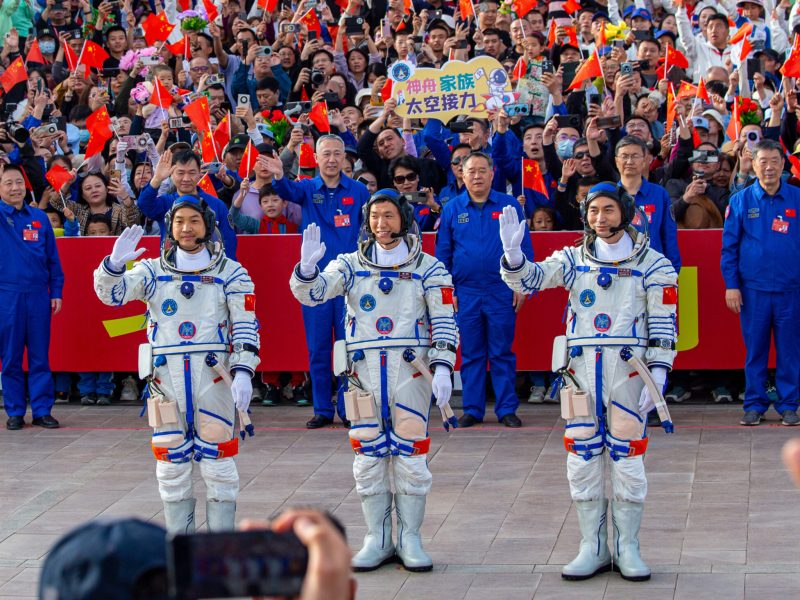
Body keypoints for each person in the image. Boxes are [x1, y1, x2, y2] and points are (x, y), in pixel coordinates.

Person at [499, 182, 678, 582]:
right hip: (580, 375)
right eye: (594, 211)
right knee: (582, 457)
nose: (601, 218)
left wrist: (661, 369)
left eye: (609, 210)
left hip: (630, 372)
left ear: (626, 213)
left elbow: (665, 320)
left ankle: (628, 546)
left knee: (628, 459)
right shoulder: (572, 258)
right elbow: (530, 280)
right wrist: (514, 255)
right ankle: (592, 545)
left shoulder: (654, 263)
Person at [290, 189, 458, 573]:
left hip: (411, 372)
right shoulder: (349, 264)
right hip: (363, 375)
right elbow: (313, 294)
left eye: (389, 216)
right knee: (368, 456)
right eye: (375, 217)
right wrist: (307, 269)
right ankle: (377, 537)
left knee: (411, 457)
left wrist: (444, 364)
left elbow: (445, 319)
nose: (382, 225)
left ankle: (410, 538)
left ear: (404, 219)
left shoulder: (429, 268)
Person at [93, 197, 260, 533]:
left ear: (208, 225)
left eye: (194, 221)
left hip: (214, 380)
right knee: (171, 467)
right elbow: (111, 296)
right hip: (166, 381)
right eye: (180, 221)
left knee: (219, 465)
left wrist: (243, 372)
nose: (186, 228)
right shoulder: (152, 271)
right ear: (170, 226)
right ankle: (180, 548)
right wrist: (113, 266)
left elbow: (246, 323)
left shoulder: (231, 272)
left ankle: (218, 547)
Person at [262, 135, 370, 429]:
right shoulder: (308, 188)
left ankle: (350, 409)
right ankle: (322, 408)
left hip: (350, 283)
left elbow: (370, 228)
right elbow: (285, 190)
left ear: (345, 158)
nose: (333, 159)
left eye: (337, 154)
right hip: (316, 283)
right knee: (319, 347)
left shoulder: (359, 190)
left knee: (349, 348)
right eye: (327, 155)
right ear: (317, 159)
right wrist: (280, 170)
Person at [436, 152, 533, 428]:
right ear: (462, 175)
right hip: (465, 292)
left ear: (492, 174)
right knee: (471, 353)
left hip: (501, 290)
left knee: (502, 351)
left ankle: (506, 409)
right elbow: (443, 254)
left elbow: (523, 248)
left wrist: (521, 284)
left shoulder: (508, 204)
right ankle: (473, 409)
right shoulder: (453, 208)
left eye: (482, 171)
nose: (477, 176)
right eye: (471, 171)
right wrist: (447, 291)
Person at [721, 139, 800, 426]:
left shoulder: (796, 199)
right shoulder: (740, 201)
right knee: (755, 350)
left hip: (791, 291)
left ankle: (789, 404)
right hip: (753, 291)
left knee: (790, 350)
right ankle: (754, 404)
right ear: (753, 164)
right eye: (762, 161)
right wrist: (732, 285)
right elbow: (729, 248)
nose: (768, 167)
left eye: (774, 161)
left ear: (783, 164)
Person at [1, 164, 63, 431]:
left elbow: (53, 260)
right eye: (8, 183)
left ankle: (41, 410)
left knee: (39, 356)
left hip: (38, 295)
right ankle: (14, 410)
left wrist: (56, 292)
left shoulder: (39, 218)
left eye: (18, 182)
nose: (15, 188)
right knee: (11, 356)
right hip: (7, 296)